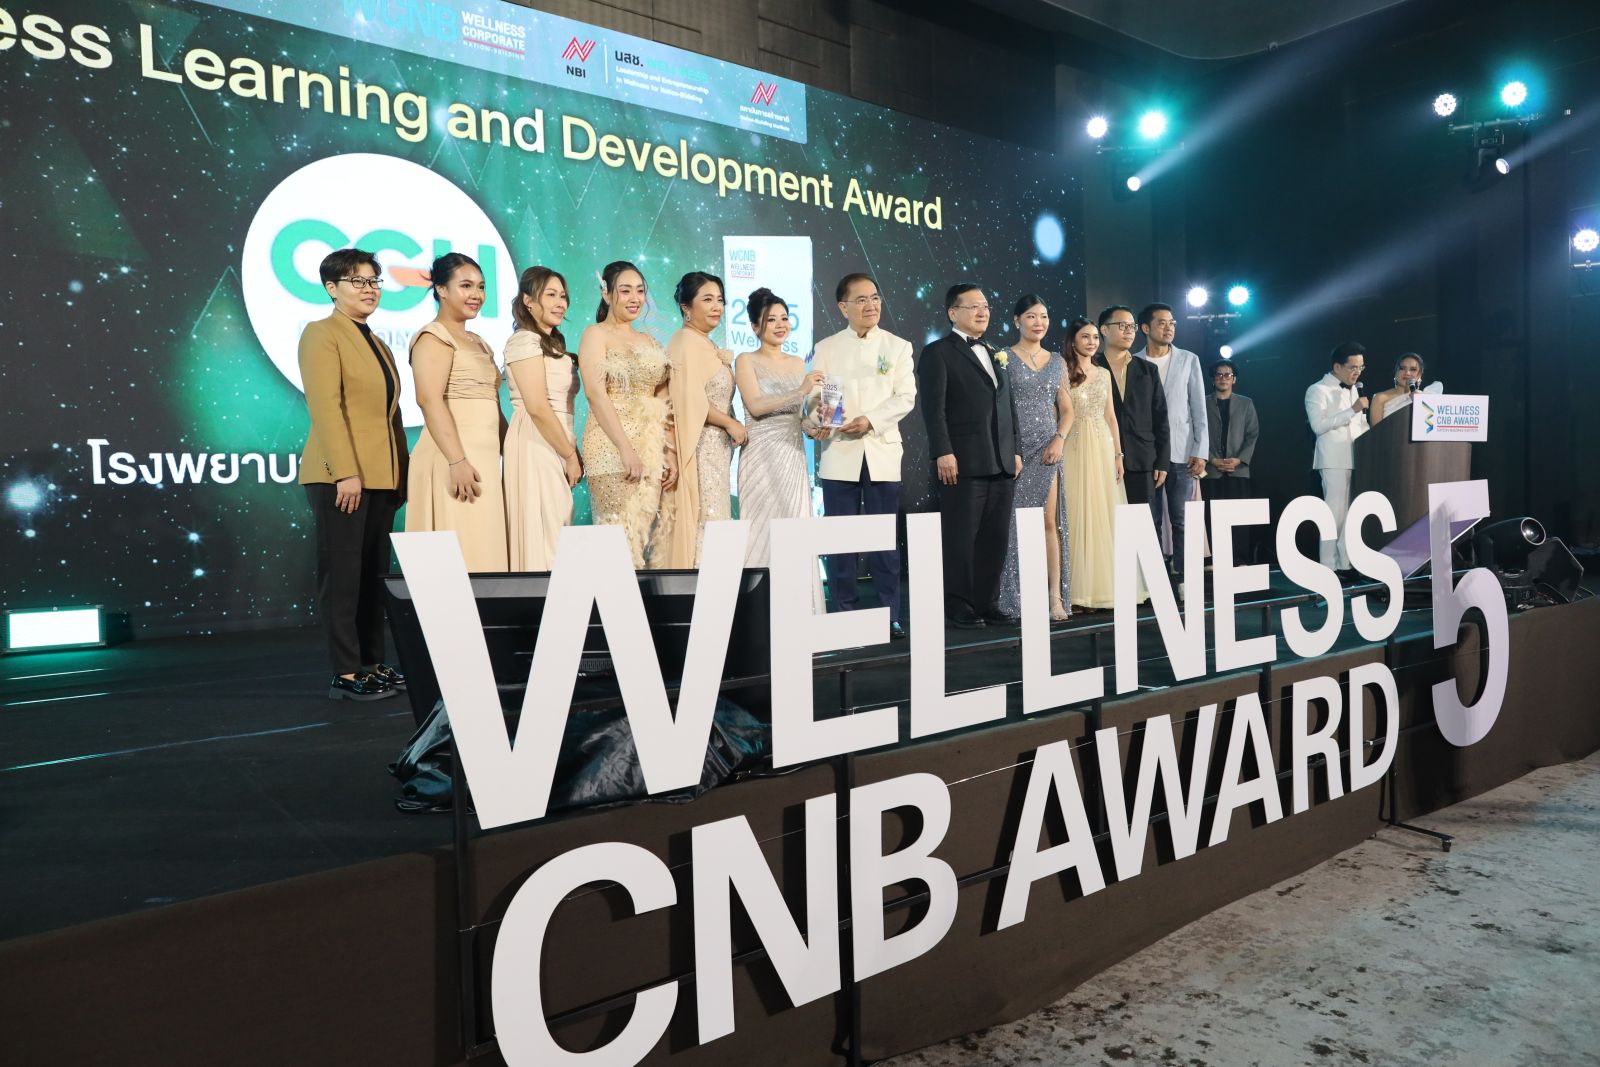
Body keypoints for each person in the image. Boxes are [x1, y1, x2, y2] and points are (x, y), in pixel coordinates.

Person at [296, 247, 408, 700]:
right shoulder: (321, 334)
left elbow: (391, 416)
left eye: (374, 281)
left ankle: (372, 663)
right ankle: (345, 673)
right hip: (340, 476)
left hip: (380, 476)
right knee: (342, 577)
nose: (369, 289)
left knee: (372, 577)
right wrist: (345, 472)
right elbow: (326, 408)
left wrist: (401, 475)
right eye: (358, 281)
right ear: (332, 288)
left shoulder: (378, 342)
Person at [804, 272, 915, 638]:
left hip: (881, 450)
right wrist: (821, 416)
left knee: (884, 539)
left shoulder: (898, 346)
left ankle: (889, 614)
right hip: (839, 452)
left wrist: (870, 420)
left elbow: (905, 397)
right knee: (840, 539)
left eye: (875, 298)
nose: (871, 305)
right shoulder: (827, 347)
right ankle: (844, 612)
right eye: (861, 299)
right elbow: (818, 396)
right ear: (843, 307)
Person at [917, 283, 1021, 629]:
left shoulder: (995, 352)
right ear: (953, 313)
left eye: (986, 306)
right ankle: (957, 602)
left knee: (995, 537)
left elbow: (1008, 405)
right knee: (960, 536)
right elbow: (934, 409)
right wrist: (943, 451)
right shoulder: (938, 353)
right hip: (963, 461)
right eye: (973, 306)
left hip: (1001, 461)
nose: (982, 312)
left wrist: (1015, 449)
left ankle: (987, 601)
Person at [405, 253, 508, 572]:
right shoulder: (433, 337)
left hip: (484, 462)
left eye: (481, 286)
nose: (476, 294)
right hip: (453, 460)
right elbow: (428, 400)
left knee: (484, 554)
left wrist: (513, 451)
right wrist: (457, 461)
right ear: (441, 290)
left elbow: (493, 405)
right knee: (457, 563)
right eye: (465, 286)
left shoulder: (479, 342)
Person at [578, 260, 677, 568]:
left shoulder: (650, 341)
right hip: (610, 446)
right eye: (625, 291)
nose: (635, 298)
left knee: (640, 538)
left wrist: (669, 452)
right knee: (616, 538)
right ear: (606, 294)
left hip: (649, 447)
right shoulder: (595, 334)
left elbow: (664, 397)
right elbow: (595, 393)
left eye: (640, 291)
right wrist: (625, 448)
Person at [735, 287, 824, 608]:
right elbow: (756, 406)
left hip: (792, 453)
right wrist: (801, 390)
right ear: (754, 326)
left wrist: (815, 426)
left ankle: (800, 611)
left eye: (784, 318)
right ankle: (759, 613)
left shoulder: (798, 363)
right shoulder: (745, 360)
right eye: (770, 319)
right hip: (760, 456)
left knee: (796, 527)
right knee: (761, 532)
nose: (780, 325)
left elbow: (799, 416)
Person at [659, 271, 746, 567]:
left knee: (715, 513)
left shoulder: (706, 343)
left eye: (720, 300)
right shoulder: (684, 341)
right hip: (701, 444)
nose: (716, 307)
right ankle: (701, 582)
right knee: (706, 516)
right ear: (686, 307)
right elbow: (689, 400)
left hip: (717, 448)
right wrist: (729, 422)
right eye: (707, 299)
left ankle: (716, 582)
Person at [997, 294, 1073, 622]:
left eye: (1043, 316)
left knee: (1048, 523)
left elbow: (1067, 410)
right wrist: (1009, 450)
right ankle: (1014, 596)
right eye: (1031, 316)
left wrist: (1059, 439)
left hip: (1047, 449)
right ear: (1017, 321)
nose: (1038, 322)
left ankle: (1054, 596)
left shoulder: (1057, 361)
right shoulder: (1003, 358)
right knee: (1012, 523)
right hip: (1015, 449)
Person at [503, 266, 580, 571]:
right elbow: (536, 406)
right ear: (529, 301)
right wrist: (569, 454)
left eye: (563, 296)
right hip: (537, 440)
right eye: (551, 295)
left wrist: (569, 449)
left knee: (557, 528)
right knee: (548, 538)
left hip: (556, 439)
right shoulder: (524, 341)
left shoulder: (551, 344)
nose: (560, 303)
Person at [1138, 303, 1207, 597]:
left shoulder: (1189, 359)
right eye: (1162, 323)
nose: (1169, 328)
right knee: (1150, 520)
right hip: (1147, 454)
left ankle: (1185, 580)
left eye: (1172, 323)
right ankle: (1156, 581)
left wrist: (1200, 450)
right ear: (1146, 328)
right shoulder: (1135, 361)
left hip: (1181, 452)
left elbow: (1198, 408)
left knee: (1182, 520)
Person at [1060, 315, 1127, 611]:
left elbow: (1111, 416)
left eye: (1095, 337)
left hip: (1101, 446)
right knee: (1075, 513)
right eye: (1085, 337)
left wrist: (1118, 454)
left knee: (1103, 511)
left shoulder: (1103, 374)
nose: (1091, 342)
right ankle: (1075, 591)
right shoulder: (1061, 370)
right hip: (1073, 446)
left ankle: (1103, 588)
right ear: (1073, 340)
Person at [1095, 305, 1169, 511]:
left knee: (1142, 522)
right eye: (1122, 325)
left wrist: (1162, 462)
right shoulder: (1091, 367)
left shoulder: (1148, 370)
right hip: (1101, 456)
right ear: (1104, 330)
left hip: (1142, 460)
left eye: (1132, 326)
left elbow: (1161, 418)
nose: (1129, 331)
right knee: (1107, 520)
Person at [1305, 341, 1370, 575]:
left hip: (1356, 458)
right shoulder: (1317, 390)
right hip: (1333, 460)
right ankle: (1328, 567)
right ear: (1337, 367)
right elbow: (1318, 426)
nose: (1357, 372)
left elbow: (1360, 424)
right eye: (1353, 367)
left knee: (1351, 515)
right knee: (1334, 514)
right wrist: (1352, 410)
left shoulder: (1354, 390)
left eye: (1361, 367)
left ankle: (1345, 564)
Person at [1203, 360, 1260, 565]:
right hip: (1211, 470)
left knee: (1239, 517)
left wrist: (1240, 459)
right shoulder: (1203, 402)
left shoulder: (1246, 403)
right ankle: (1213, 560)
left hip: (1238, 470)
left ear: (1234, 379)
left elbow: (1252, 434)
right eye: (1219, 374)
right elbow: (1197, 434)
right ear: (1213, 379)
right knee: (1210, 516)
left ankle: (1239, 559)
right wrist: (1212, 459)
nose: (1223, 378)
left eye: (1228, 375)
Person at [1370, 352, 1442, 426]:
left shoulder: (1424, 397)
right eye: (1402, 368)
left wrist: (1420, 403)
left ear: (1419, 375)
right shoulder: (1380, 398)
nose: (1407, 373)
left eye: (1413, 369)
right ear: (1396, 372)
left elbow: (1430, 426)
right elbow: (1376, 431)